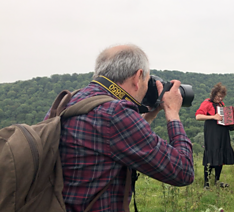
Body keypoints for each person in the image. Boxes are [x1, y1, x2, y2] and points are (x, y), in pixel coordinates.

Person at [46, 44, 194, 212]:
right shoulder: (115, 113)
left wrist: (150, 114)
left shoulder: (69, 101)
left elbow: (115, 142)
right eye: (147, 80)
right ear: (137, 77)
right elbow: (183, 171)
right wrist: (172, 113)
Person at [195, 83, 234, 189]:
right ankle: (206, 183)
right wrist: (213, 117)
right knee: (211, 154)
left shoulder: (221, 104)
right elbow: (198, 116)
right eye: (218, 96)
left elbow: (224, 118)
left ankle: (217, 181)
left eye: (222, 97)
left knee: (220, 155)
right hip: (212, 132)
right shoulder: (207, 103)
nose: (220, 98)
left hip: (222, 132)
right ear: (213, 94)